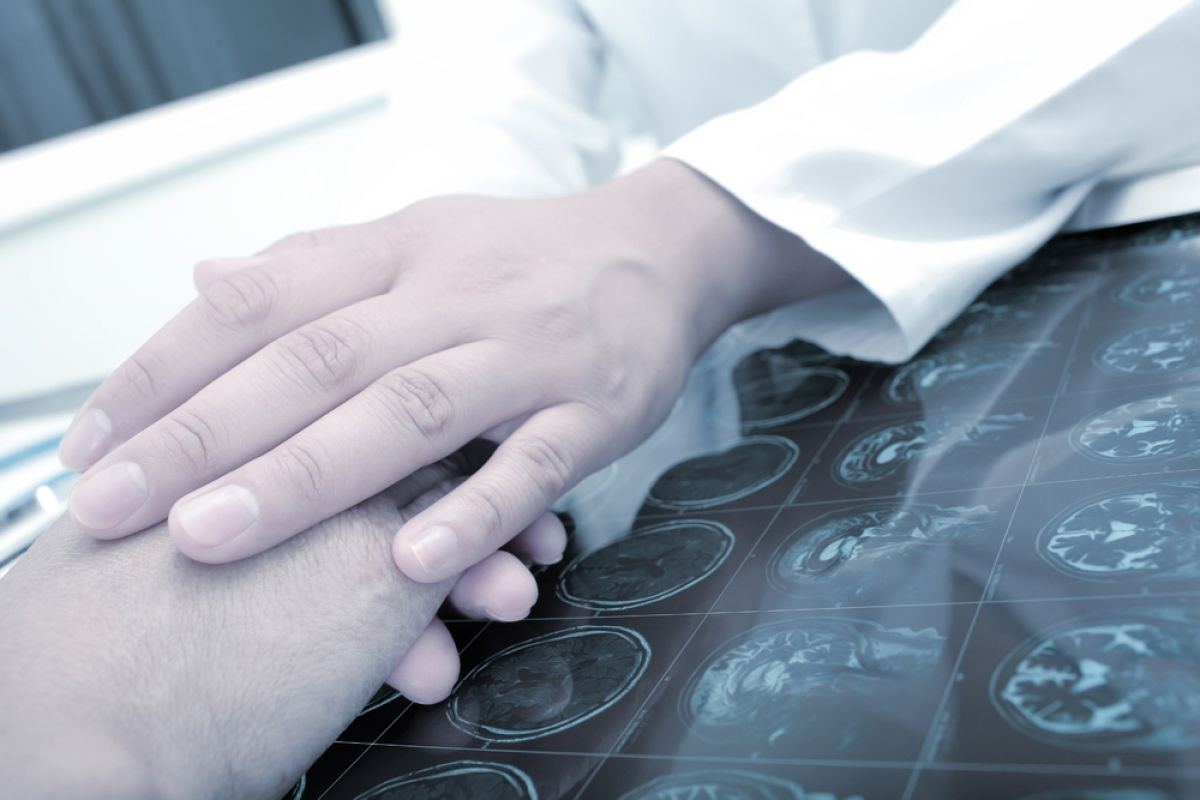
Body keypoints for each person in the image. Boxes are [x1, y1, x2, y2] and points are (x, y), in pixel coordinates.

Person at [52, 0, 1200, 703]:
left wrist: (699, 226)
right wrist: (423, 366)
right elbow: (489, 82)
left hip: (1126, 238)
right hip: (741, 347)